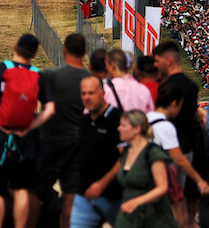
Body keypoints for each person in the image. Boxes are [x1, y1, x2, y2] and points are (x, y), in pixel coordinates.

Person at [0, 33, 56, 228]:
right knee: (22, 189)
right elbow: (51, 108)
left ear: (15, 46)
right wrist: (31, 126)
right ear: (34, 53)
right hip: (26, 139)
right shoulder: (38, 74)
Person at [40, 34, 91, 228]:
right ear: (85, 53)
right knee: (71, 198)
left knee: (37, 193)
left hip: (49, 141)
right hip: (77, 145)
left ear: (64, 50)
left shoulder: (50, 75)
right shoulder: (91, 81)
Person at [152, 41, 207, 208]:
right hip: (192, 149)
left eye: (157, 61)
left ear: (168, 60)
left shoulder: (166, 87)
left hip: (173, 151)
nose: (155, 65)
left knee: (174, 205)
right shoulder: (190, 86)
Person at [148, 82, 209, 228]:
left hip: (147, 177)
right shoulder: (166, 126)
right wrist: (199, 180)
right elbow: (179, 159)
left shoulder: (147, 117)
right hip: (165, 180)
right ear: (174, 103)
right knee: (181, 221)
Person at [71, 75, 122, 228]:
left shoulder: (118, 119)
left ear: (102, 93)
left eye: (91, 93)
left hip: (114, 197)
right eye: (83, 93)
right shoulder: (83, 121)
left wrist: (103, 183)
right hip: (84, 197)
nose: (87, 97)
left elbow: (127, 157)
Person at [112, 110, 177, 228]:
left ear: (137, 129)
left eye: (123, 125)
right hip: (128, 216)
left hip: (152, 217)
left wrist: (137, 201)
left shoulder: (153, 152)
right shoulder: (125, 152)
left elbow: (162, 187)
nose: (119, 129)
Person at [104, 48, 154, 114]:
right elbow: (150, 114)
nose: (105, 68)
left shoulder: (106, 89)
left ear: (112, 66)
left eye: (106, 65)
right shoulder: (143, 89)